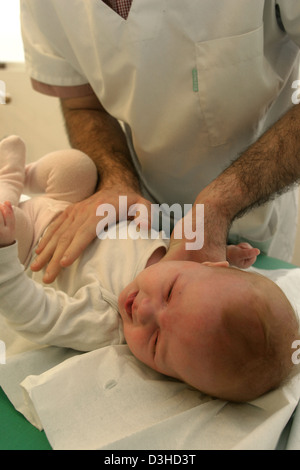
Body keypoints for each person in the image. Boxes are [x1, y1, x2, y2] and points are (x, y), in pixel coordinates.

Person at [0, 135, 298, 402]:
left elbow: (38, 315)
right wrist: (229, 254)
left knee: (10, 212)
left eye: (156, 342)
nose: (143, 311)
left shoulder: (106, 321)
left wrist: (6, 257)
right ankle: (22, 177)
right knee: (78, 167)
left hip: (34, 243)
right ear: (210, 263)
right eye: (170, 293)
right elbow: (173, 245)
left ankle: (9, 184)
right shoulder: (184, 261)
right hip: (74, 204)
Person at [20, 0, 300, 284]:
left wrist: (220, 203)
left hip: (255, 214)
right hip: (141, 218)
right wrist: (116, 180)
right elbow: (82, 104)